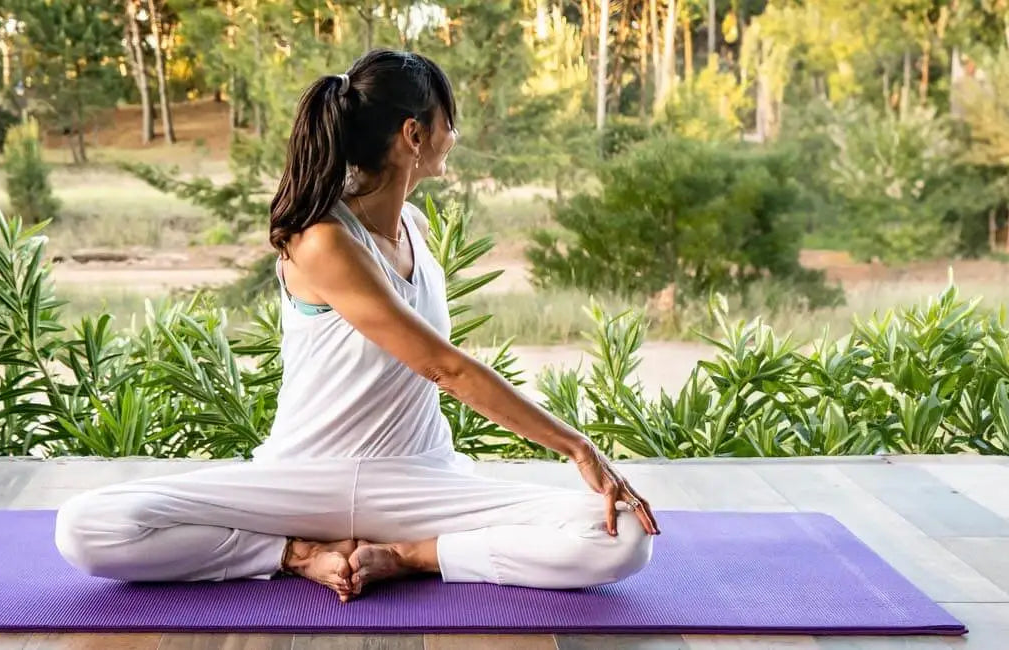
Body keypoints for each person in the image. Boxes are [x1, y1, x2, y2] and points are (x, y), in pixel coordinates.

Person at [53, 50, 660, 602]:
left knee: (623, 536)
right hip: (304, 478)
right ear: (413, 134)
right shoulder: (323, 240)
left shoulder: (416, 230)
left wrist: (416, 546)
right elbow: (442, 366)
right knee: (86, 528)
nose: (457, 135)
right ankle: (294, 555)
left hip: (420, 478)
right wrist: (578, 446)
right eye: (450, 121)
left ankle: (410, 556)